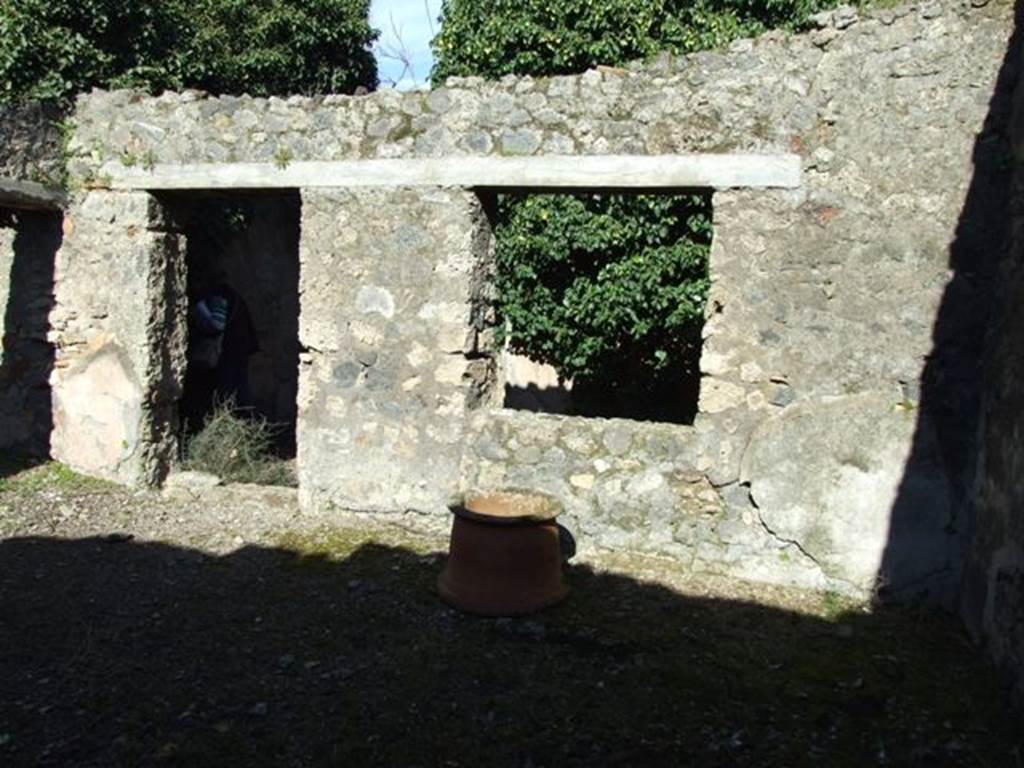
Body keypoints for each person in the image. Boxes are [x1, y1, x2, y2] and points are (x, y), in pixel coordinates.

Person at [181, 276, 258, 432]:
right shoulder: (228, 294)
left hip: (227, 354)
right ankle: (244, 432)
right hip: (236, 352)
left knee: (227, 396)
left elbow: (216, 324)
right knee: (237, 394)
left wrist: (196, 308)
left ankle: (232, 433)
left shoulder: (218, 295)